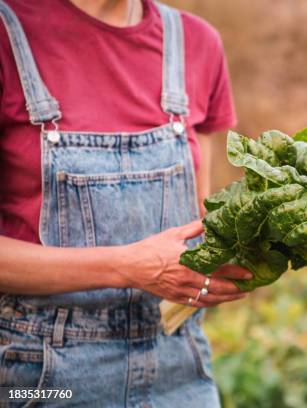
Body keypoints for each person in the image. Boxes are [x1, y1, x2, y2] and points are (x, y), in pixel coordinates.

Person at [0, 0, 252, 405]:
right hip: (44, 372)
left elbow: (202, 219)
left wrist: (263, 243)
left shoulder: (196, 42)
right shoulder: (8, 34)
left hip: (179, 368)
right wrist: (129, 267)